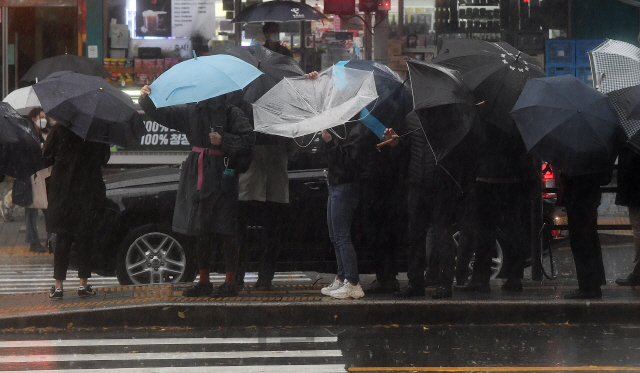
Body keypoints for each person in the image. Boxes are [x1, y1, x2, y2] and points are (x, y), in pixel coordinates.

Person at [139, 85, 255, 298]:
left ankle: (230, 283)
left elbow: (249, 140)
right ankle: (204, 281)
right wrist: (146, 99)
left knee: (227, 231)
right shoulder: (191, 111)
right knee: (201, 231)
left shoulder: (232, 112)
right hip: (199, 176)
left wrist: (223, 140)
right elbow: (162, 114)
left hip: (223, 178)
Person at [456, 121, 537, 294]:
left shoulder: (483, 119)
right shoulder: (519, 122)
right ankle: (514, 278)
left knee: (484, 234)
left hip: (486, 182)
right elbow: (525, 155)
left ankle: (481, 279)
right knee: (515, 232)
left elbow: (471, 152)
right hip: (513, 183)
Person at [392, 109, 461, 299]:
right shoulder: (411, 117)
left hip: (440, 184)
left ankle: (445, 283)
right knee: (415, 235)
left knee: (442, 234)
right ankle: (415, 283)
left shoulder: (448, 116)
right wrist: (398, 142)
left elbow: (455, 150)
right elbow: (409, 149)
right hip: (416, 183)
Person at [43, 123, 110, 300]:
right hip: (89, 190)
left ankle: (58, 287)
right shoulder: (97, 131)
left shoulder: (59, 129)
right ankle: (83, 284)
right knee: (85, 237)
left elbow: (46, 157)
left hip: (63, 191)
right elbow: (104, 158)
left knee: (63, 237)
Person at [558, 169, 611, 299]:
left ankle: (586, 287)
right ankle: (595, 284)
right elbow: (605, 179)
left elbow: (567, 178)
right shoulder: (598, 154)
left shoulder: (574, 160)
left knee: (580, 243)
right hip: (591, 199)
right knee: (591, 240)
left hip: (576, 200)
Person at [23, 108, 49, 253]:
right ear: (34, 118)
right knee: (32, 211)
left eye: (45, 116)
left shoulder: (45, 133)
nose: (44, 119)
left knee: (48, 209)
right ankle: (33, 242)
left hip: (44, 175)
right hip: (31, 176)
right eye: (41, 116)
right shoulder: (27, 133)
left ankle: (50, 240)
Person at [614, 146, 640, 286]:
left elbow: (629, 169)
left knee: (638, 232)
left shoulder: (631, 142)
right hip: (635, 192)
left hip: (636, 194)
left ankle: (638, 273)